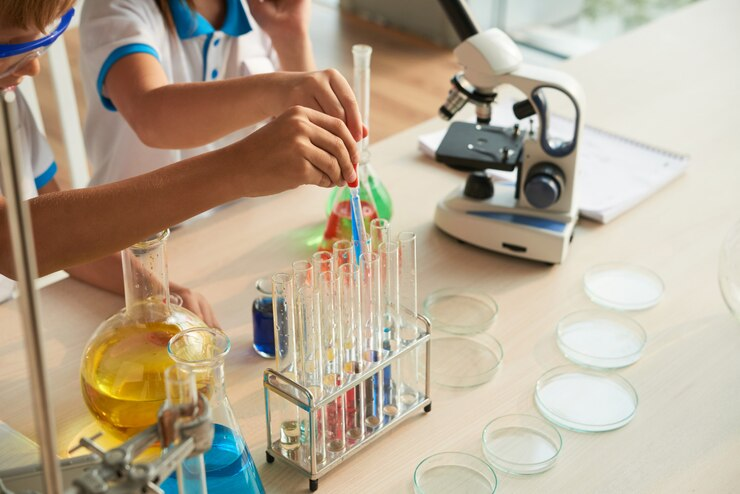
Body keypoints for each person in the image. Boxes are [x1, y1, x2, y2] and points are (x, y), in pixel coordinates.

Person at [0, 2, 361, 325]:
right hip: (144, 241)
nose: (33, 67)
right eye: (18, 45)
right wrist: (239, 166)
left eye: (42, 42)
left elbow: (58, 239)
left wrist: (155, 289)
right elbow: (16, 241)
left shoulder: (10, 108)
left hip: (217, 241)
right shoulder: (119, 8)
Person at [80, 0, 363, 186]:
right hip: (140, 241)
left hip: (238, 219)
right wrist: (276, 91)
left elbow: (310, 126)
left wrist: (291, 36)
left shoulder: (261, 13)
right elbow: (150, 116)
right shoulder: (116, 8)